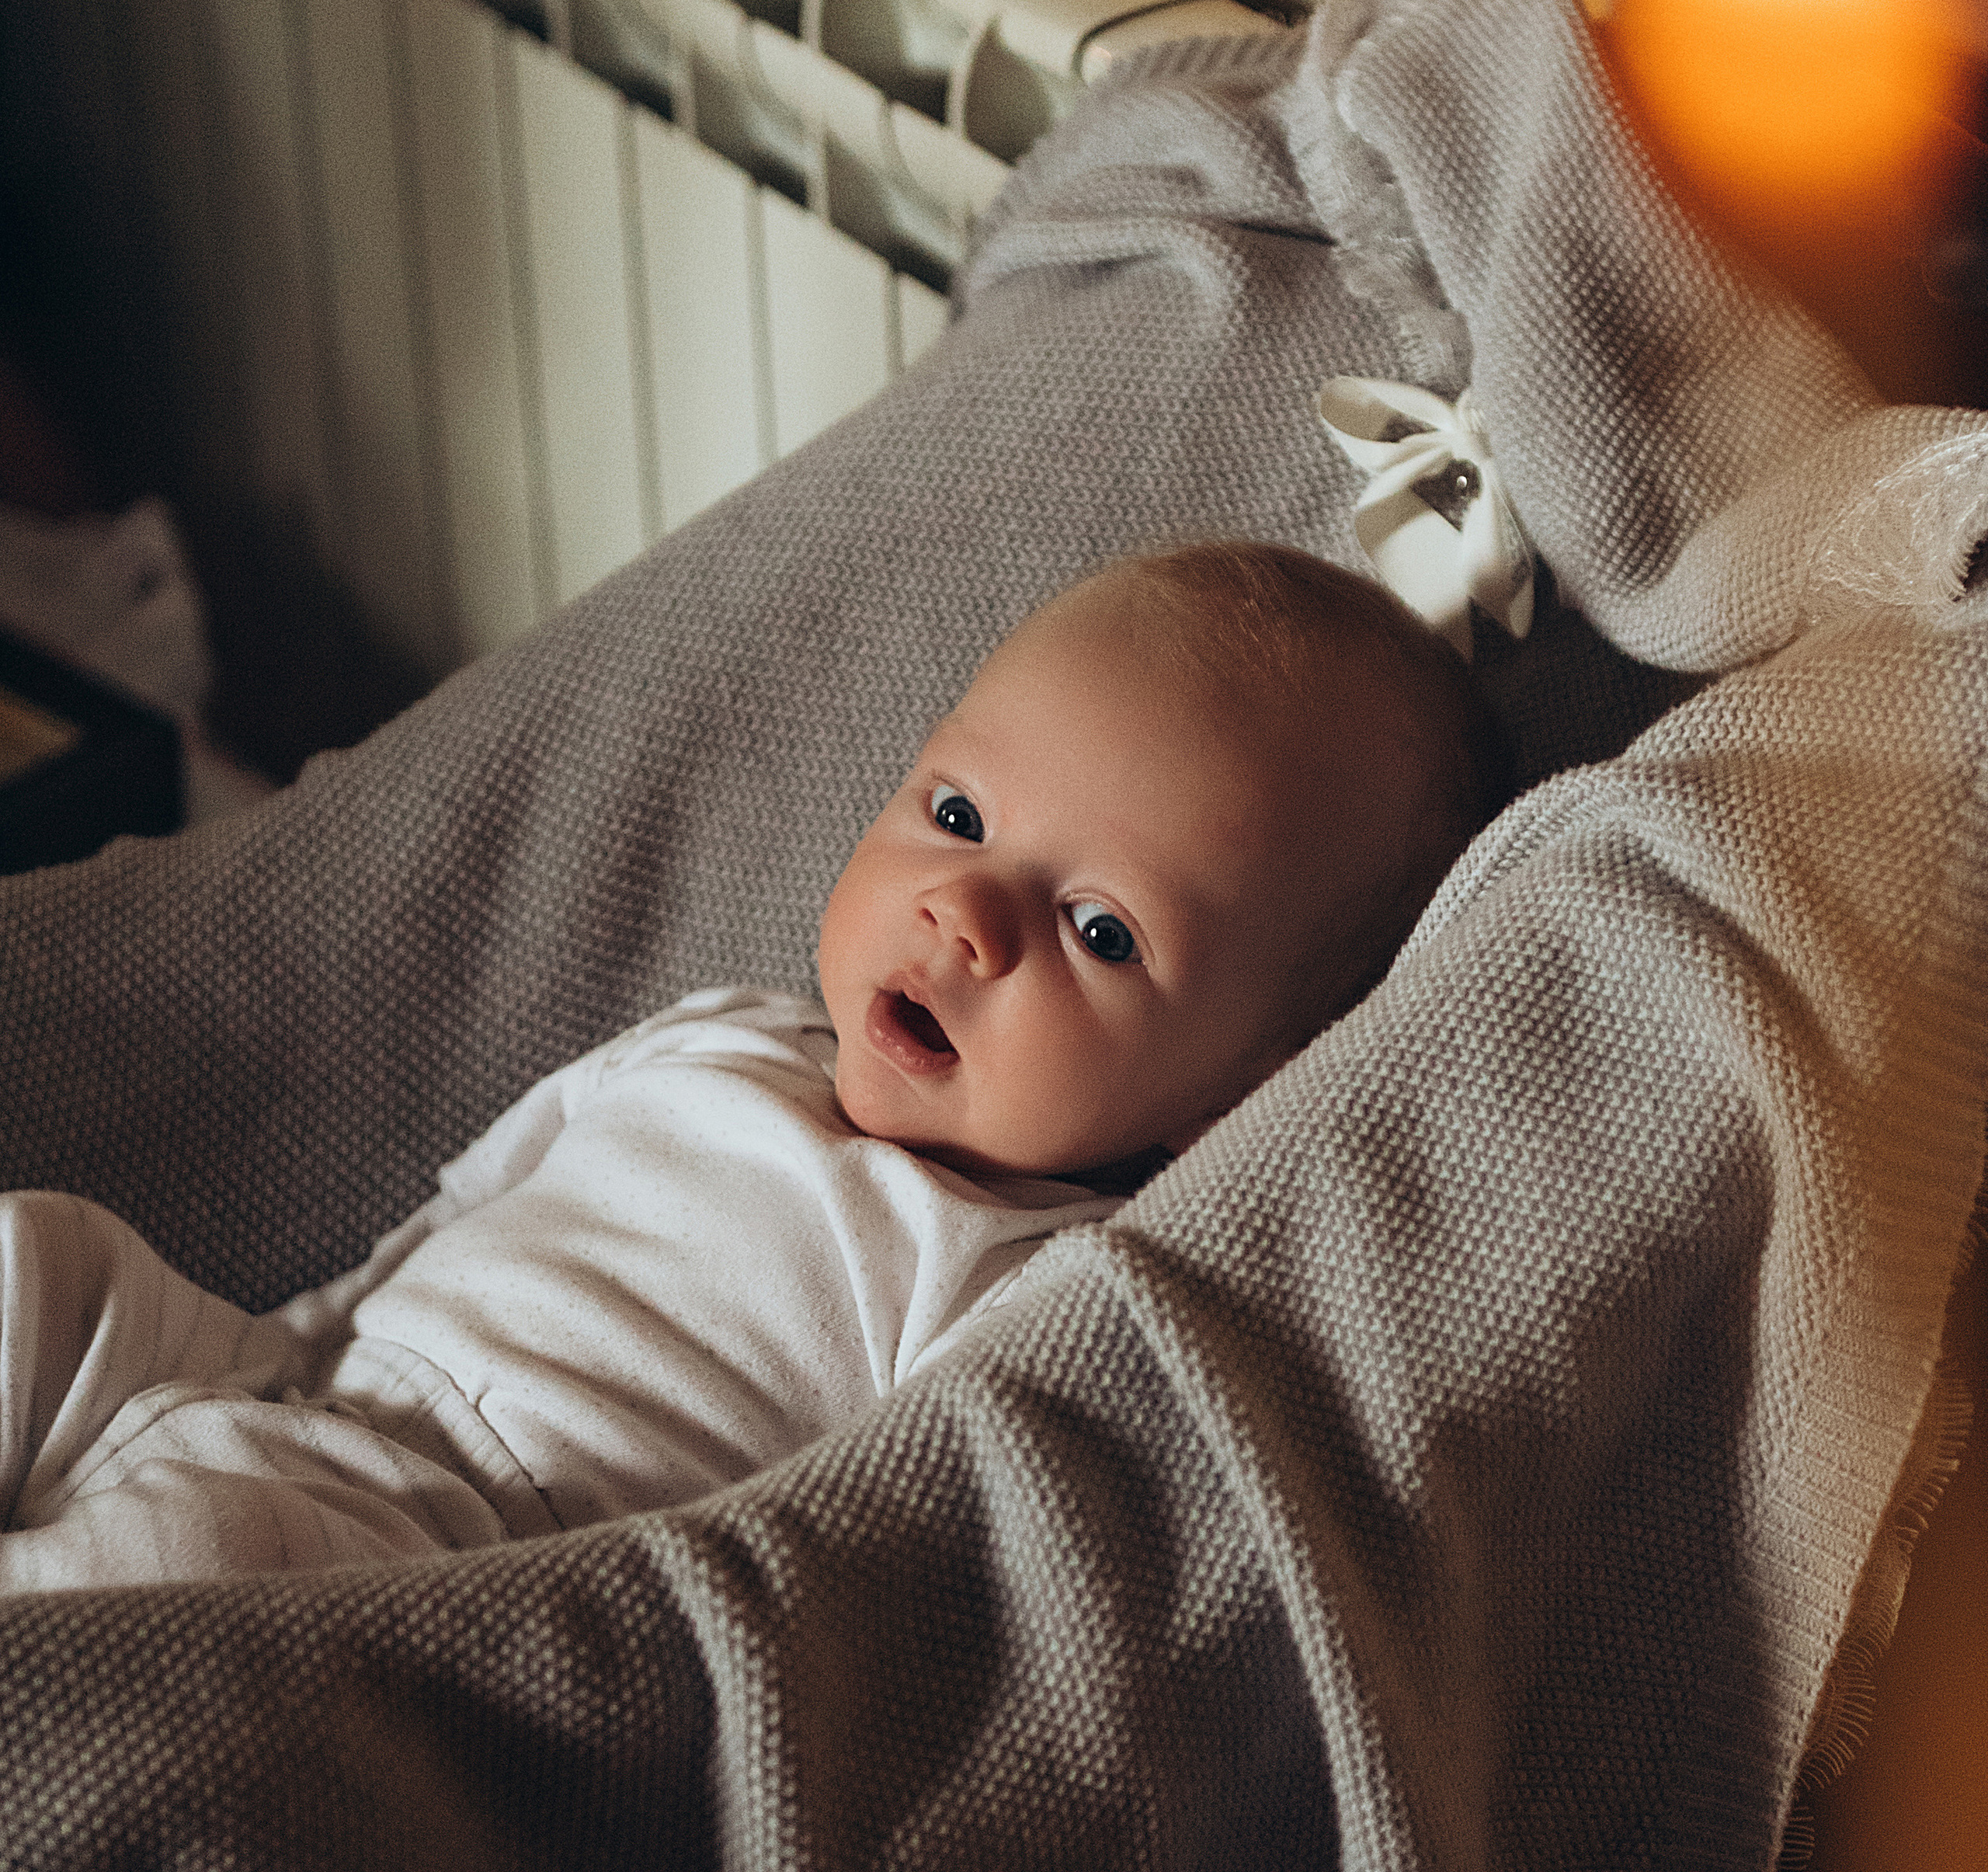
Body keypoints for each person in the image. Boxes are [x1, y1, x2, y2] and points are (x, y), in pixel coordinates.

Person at [0, 542, 1506, 1591]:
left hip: (435, 1551)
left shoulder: (1010, 1281)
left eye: (1098, 930)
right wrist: (278, 1356)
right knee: (40, 1258)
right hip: (282, 1377)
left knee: (189, 1553)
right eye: (958, 817)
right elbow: (470, 1201)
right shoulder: (730, 1030)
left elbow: (884, 1577)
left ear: (1235, 1101)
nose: (963, 913)